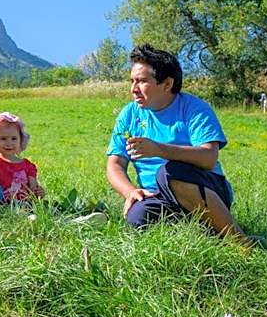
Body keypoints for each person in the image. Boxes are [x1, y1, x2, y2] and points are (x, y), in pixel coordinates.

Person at [105, 44, 252, 246]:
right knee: (137, 217)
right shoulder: (129, 114)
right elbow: (115, 164)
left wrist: (159, 149)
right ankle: (206, 234)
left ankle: (240, 241)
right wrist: (130, 191)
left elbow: (209, 158)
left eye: (142, 81)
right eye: (132, 81)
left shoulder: (194, 108)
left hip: (206, 188)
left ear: (167, 84)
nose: (133, 89)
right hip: (158, 197)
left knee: (168, 173)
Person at [0, 112, 44, 202]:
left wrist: (39, 193)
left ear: (20, 140)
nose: (9, 143)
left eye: (14, 138)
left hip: (23, 207)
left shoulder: (27, 165)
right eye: (3, 138)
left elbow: (34, 189)